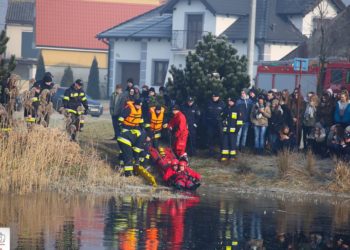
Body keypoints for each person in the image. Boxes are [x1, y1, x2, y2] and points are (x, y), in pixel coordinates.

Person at [117, 99, 144, 176]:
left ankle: (125, 164)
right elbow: (121, 118)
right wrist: (121, 126)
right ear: (135, 104)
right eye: (138, 105)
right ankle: (121, 162)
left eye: (140, 106)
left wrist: (142, 127)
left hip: (134, 128)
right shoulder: (129, 109)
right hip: (126, 128)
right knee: (124, 148)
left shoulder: (139, 110)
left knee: (128, 148)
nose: (139, 107)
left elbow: (141, 120)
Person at [220, 97, 242, 162]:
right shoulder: (225, 108)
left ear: (233, 102)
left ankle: (232, 156)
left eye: (230, 101)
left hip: (233, 131)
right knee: (225, 143)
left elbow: (239, 121)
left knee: (232, 143)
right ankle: (224, 156)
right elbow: (221, 117)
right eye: (228, 101)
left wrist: (237, 130)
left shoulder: (237, 109)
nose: (229, 102)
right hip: (226, 130)